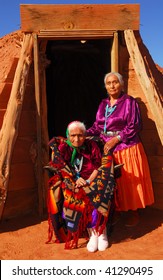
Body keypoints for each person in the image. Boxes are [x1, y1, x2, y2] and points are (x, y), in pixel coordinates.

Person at [87, 72, 154, 227]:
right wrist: (82, 133)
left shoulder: (129, 102)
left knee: (129, 180)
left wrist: (116, 139)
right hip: (108, 149)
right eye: (109, 83)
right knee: (112, 182)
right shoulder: (103, 104)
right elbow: (97, 126)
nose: (112, 85)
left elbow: (134, 126)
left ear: (121, 84)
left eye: (115, 82)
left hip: (126, 146)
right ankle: (117, 211)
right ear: (105, 86)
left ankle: (133, 212)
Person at [46, 121, 115, 252]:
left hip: (92, 179)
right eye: (73, 135)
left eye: (80, 135)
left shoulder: (92, 145)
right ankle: (91, 232)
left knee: (97, 192)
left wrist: (88, 181)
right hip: (72, 182)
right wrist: (75, 181)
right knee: (73, 194)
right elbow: (62, 169)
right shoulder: (63, 148)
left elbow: (97, 166)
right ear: (68, 135)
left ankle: (100, 231)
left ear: (85, 135)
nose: (76, 139)